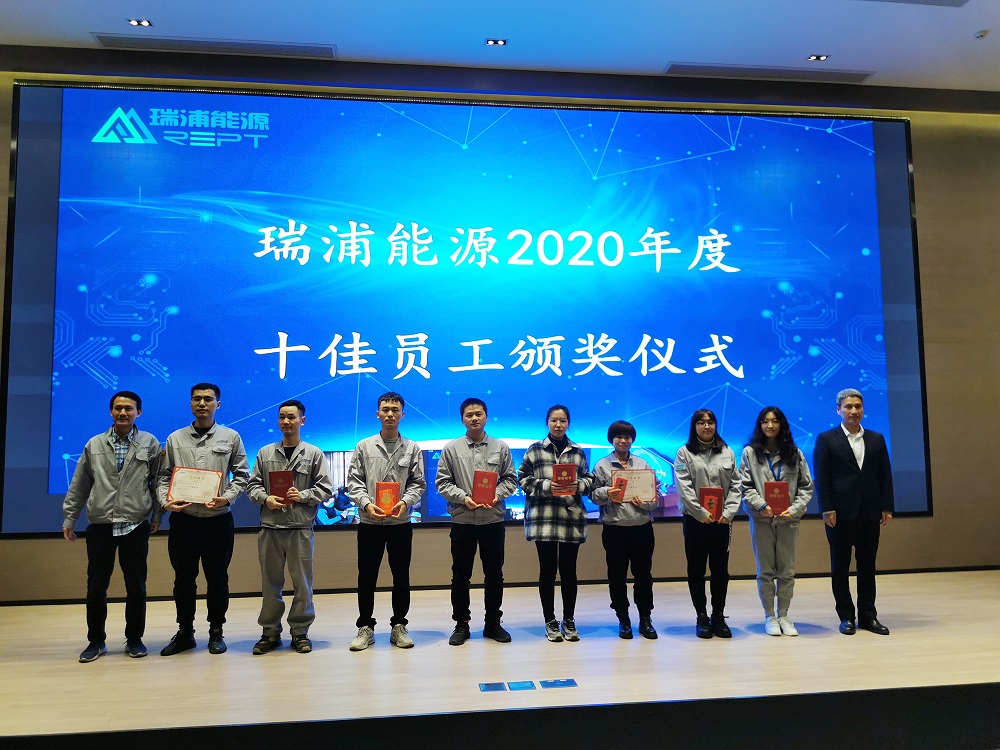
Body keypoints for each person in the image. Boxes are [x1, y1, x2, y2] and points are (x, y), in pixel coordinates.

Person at [62, 391, 161, 662]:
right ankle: (96, 641)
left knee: (136, 586)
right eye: (118, 408)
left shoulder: (150, 443)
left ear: (138, 412)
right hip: (101, 525)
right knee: (96, 587)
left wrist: (157, 514)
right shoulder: (94, 444)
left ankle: (135, 640)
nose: (123, 413)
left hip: (135, 525)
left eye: (129, 408)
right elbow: (80, 483)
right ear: (111, 411)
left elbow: (157, 482)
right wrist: (70, 517)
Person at [157, 383, 249, 656]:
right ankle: (185, 632)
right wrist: (165, 501)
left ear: (217, 404)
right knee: (183, 580)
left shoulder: (230, 437)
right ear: (190, 404)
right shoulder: (175, 438)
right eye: (197, 399)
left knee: (218, 579)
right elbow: (163, 477)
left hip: (217, 520)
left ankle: (216, 631)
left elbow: (242, 475)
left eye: (208, 399)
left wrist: (227, 498)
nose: (202, 404)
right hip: (184, 521)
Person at [246, 400, 333, 655]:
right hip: (270, 528)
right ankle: (270, 632)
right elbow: (252, 486)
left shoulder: (313, 454)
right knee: (269, 585)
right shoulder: (265, 454)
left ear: (302, 421)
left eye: (291, 417)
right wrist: (266, 499)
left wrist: (302, 495)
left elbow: (325, 489)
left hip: (299, 528)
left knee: (303, 585)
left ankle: (300, 631)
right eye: (282, 417)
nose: (286, 422)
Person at [435, 398, 518, 646]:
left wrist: (496, 495)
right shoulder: (451, 449)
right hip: (463, 521)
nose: (474, 418)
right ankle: (461, 624)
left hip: (492, 520)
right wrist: (464, 498)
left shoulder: (500, 447)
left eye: (478, 414)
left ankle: (493, 623)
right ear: (462, 419)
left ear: (486, 416)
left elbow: (510, 480)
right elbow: (442, 483)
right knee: (460, 575)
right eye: (469, 415)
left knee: (494, 574)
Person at [347, 391, 426, 650]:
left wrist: (405, 502)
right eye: (385, 409)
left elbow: (418, 483)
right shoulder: (364, 446)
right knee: (366, 577)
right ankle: (365, 627)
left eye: (395, 410)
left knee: (401, 576)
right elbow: (354, 482)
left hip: (399, 523)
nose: (390, 414)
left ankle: (399, 625)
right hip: (370, 523)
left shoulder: (412, 448)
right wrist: (366, 504)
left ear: (403, 414)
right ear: (378, 413)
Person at [814, 388, 894, 636]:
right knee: (840, 567)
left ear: (863, 409)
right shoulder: (827, 439)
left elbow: (885, 475)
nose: (853, 411)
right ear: (838, 409)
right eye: (848, 406)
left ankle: (868, 616)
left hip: (869, 512)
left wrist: (887, 506)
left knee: (867, 566)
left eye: (857, 406)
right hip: (838, 514)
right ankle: (846, 616)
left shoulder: (876, 439)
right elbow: (822, 478)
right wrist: (827, 508)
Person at [518, 404, 594, 642]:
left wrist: (578, 485)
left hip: (570, 518)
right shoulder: (535, 450)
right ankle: (550, 620)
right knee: (547, 571)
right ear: (547, 422)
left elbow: (589, 479)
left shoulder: (578, 452)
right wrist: (546, 486)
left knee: (569, 572)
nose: (558, 425)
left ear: (568, 423)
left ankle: (568, 620)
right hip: (544, 518)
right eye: (554, 420)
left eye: (562, 421)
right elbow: (522, 478)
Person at [740, 406, 813, 637]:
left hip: (788, 520)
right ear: (759, 425)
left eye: (774, 421)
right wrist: (762, 506)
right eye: (765, 421)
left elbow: (806, 486)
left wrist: (794, 509)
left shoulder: (794, 453)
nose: (770, 425)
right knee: (765, 570)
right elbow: (745, 486)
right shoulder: (750, 453)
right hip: (761, 519)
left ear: (782, 424)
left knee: (787, 571)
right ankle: (769, 616)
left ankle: (784, 615)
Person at [674, 408, 741, 639]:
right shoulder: (684, 453)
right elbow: (683, 487)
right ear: (694, 426)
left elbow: (736, 484)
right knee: (696, 569)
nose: (706, 426)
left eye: (710, 422)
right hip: (695, 520)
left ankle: (718, 616)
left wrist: (729, 512)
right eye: (701, 422)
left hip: (722, 520)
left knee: (720, 570)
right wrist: (700, 512)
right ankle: (701, 616)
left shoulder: (727, 452)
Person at [591, 420, 659, 640]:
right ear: (611, 439)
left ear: (632, 440)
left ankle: (645, 618)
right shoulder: (602, 465)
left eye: (627, 437)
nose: (623, 440)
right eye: (619, 436)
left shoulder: (642, 463)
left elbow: (654, 500)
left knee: (644, 575)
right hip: (615, 529)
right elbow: (593, 495)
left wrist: (644, 502)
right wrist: (606, 493)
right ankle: (623, 619)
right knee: (617, 576)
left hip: (642, 528)